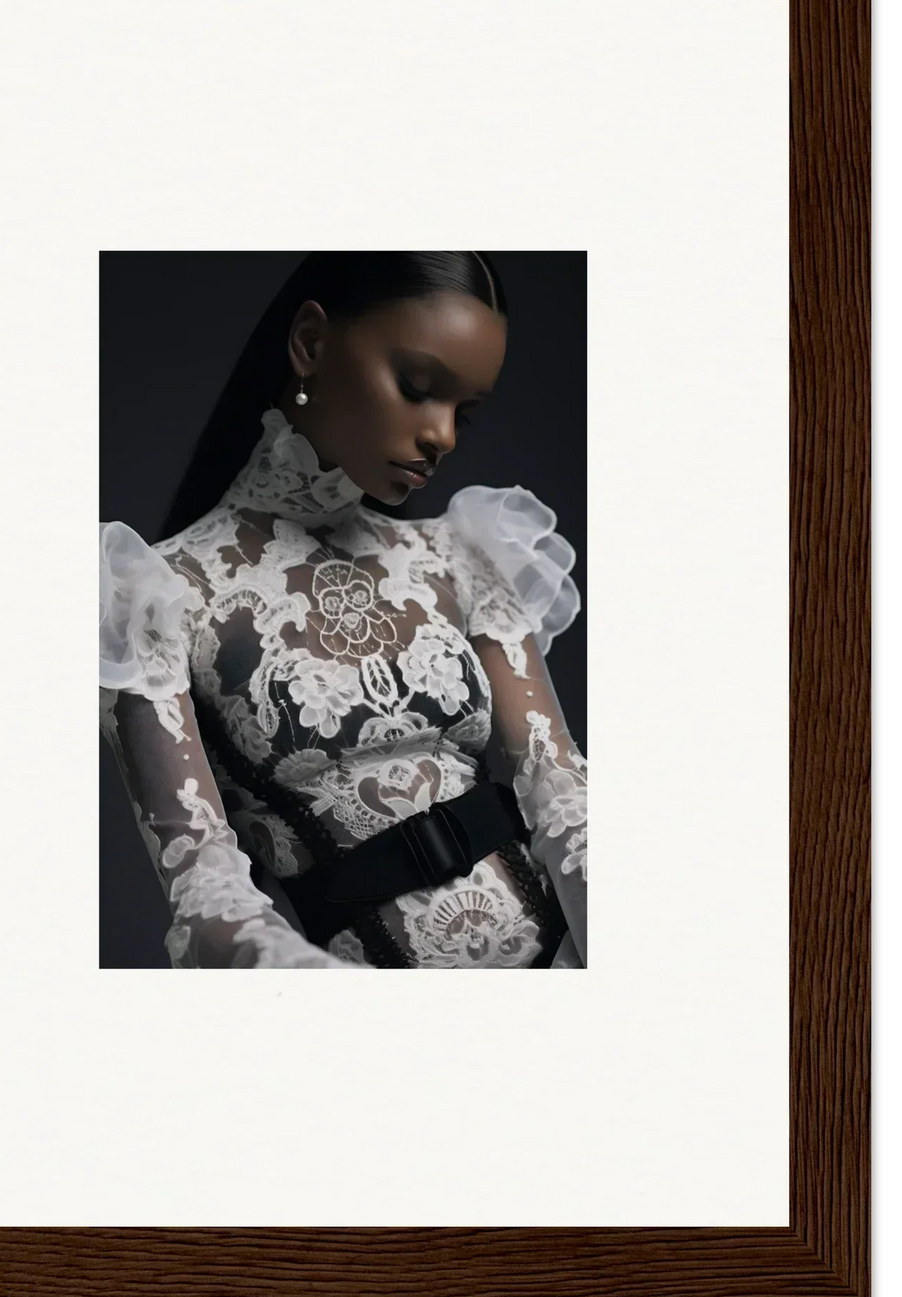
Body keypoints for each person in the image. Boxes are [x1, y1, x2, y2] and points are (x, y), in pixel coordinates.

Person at [99, 252, 587, 968]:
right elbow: (203, 885)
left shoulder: (463, 553)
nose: (442, 435)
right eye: (418, 387)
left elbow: (558, 787)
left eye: (466, 413)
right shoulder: (157, 590)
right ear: (311, 345)